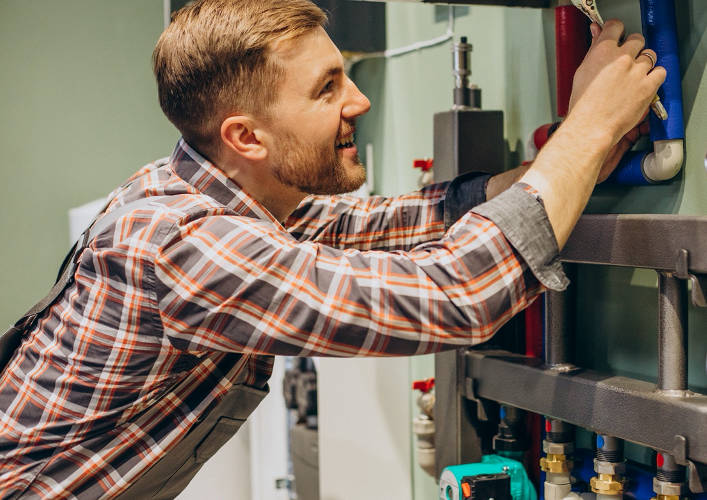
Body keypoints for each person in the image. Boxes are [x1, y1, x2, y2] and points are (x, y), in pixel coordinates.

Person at [0, 0, 664, 497]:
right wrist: (591, 123)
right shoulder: (181, 244)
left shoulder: (215, 189)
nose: (361, 99)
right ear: (248, 137)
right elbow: (455, 294)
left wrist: (579, 156)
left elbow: (408, 221)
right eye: (327, 88)